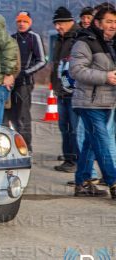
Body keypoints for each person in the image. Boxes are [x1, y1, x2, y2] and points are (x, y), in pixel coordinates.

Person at [69, 6, 116, 198]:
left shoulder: (112, 44)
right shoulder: (84, 43)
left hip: (107, 102)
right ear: (97, 23)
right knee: (102, 141)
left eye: (115, 22)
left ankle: (83, 182)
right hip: (88, 102)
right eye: (109, 21)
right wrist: (105, 76)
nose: (113, 26)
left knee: (90, 142)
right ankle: (113, 182)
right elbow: (76, 70)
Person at [5, 11, 46, 152]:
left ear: (30, 23)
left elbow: (42, 61)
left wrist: (25, 72)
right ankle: (10, 146)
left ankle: (27, 147)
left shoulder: (34, 37)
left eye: (25, 21)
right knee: (9, 115)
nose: (22, 24)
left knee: (22, 116)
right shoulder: (11, 38)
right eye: (19, 21)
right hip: (10, 83)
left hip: (25, 83)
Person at [50, 7, 81, 172]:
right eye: (56, 24)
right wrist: (56, 86)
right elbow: (56, 66)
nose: (57, 27)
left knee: (75, 128)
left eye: (60, 23)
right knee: (64, 126)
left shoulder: (78, 37)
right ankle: (68, 159)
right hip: (61, 91)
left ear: (70, 22)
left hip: (75, 92)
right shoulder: (59, 39)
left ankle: (77, 161)